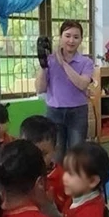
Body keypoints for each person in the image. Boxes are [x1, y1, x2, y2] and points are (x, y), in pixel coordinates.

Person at [35, 20, 94, 163]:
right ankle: (58, 183)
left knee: (77, 153)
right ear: (61, 37)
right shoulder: (49, 60)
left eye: (76, 37)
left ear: (81, 40)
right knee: (56, 154)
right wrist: (44, 66)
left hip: (78, 112)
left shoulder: (86, 62)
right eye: (67, 36)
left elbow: (81, 84)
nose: (71, 40)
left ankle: (75, 184)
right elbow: (40, 88)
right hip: (54, 112)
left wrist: (63, 64)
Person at [20, 115, 69, 213]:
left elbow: (66, 215)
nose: (37, 158)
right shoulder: (16, 173)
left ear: (55, 150)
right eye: (31, 152)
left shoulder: (63, 179)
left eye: (43, 154)